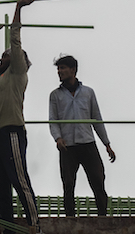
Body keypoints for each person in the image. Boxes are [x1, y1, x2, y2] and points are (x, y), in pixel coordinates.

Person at [0, 0, 40, 234]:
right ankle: (7, 228)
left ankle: (35, 223)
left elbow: (15, 40)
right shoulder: (0, 76)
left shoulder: (18, 74)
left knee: (19, 179)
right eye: (3, 55)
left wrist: (17, 9)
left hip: (12, 131)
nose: (4, 57)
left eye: (8, 55)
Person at [49, 55, 115, 216]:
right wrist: (58, 138)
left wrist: (106, 143)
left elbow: (96, 119)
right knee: (68, 184)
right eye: (59, 68)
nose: (60, 71)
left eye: (63, 68)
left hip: (87, 143)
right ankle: (70, 218)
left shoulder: (88, 93)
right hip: (67, 146)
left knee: (98, 181)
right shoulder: (55, 95)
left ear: (73, 70)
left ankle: (102, 217)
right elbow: (53, 120)